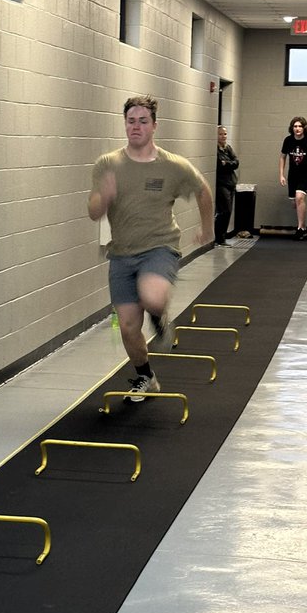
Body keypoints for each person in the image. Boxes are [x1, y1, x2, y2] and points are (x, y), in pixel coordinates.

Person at [88, 95, 214, 400]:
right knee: (129, 328)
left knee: (152, 294)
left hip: (160, 247)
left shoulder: (172, 165)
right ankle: (146, 376)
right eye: (131, 121)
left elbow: (203, 191)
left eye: (143, 121)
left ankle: (159, 315)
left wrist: (207, 227)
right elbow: (93, 211)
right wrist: (103, 198)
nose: (136, 127)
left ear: (154, 126)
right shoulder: (108, 164)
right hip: (121, 254)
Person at [279, 116, 307, 239]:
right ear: (292, 128)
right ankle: (303, 227)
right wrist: (281, 174)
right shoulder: (288, 140)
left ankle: (300, 228)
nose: (297, 129)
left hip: (306, 174)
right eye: (295, 126)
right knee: (294, 203)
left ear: (304, 128)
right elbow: (282, 157)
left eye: (300, 126)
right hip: (293, 174)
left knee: (299, 198)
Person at [214, 124, 239, 245]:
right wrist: (229, 164)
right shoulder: (215, 150)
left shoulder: (227, 148)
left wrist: (227, 163)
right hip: (221, 184)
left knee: (228, 211)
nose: (223, 136)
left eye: (225, 134)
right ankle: (218, 237)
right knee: (225, 210)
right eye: (220, 134)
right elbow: (220, 165)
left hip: (231, 183)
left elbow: (236, 162)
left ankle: (222, 237)